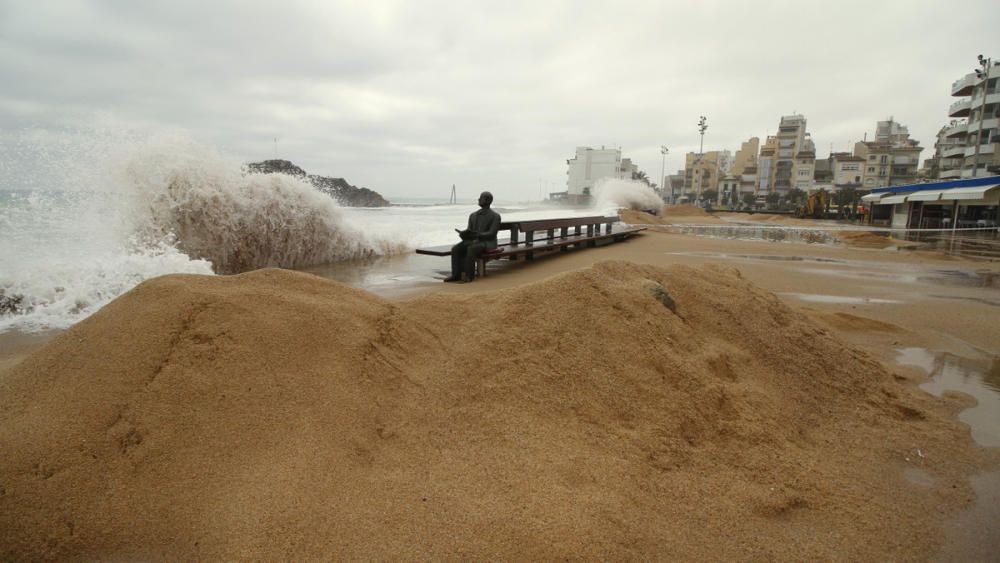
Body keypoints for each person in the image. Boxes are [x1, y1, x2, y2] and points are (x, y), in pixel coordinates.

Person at [445, 191, 501, 283]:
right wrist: (464, 234)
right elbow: (469, 230)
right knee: (455, 248)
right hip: (473, 240)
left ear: (488, 200)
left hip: (487, 242)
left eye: (481, 198)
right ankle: (456, 275)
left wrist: (478, 235)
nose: (478, 199)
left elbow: (492, 234)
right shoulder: (473, 215)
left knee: (471, 248)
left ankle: (469, 276)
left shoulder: (495, 216)